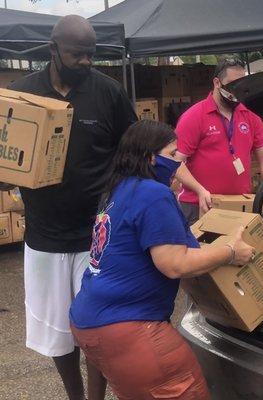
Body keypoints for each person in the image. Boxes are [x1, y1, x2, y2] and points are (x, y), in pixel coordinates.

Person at [0, 15, 137, 400]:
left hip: (97, 235)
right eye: (77, 55)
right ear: (53, 50)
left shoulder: (108, 93)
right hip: (44, 235)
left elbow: (132, 150)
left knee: (97, 329)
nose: (86, 62)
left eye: (91, 55)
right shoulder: (23, 96)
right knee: (58, 332)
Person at [69, 120, 255, 400]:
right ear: (149, 157)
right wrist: (230, 251)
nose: (179, 159)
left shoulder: (120, 189)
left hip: (89, 319)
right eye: (172, 153)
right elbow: (173, 264)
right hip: (130, 327)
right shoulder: (153, 194)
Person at [175, 57, 263, 225]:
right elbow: (176, 162)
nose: (237, 91)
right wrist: (200, 190)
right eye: (232, 85)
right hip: (198, 205)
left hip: (239, 204)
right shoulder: (194, 116)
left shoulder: (249, 114)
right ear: (217, 83)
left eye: (242, 85)